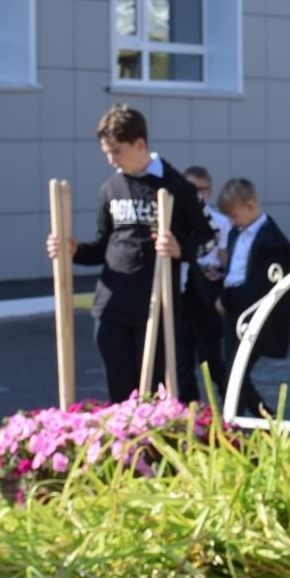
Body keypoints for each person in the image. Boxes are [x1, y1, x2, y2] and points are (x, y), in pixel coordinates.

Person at [48, 105, 214, 404]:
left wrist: (180, 249)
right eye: (106, 153)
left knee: (153, 394)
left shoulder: (177, 187)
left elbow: (207, 239)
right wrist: (72, 250)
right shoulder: (110, 188)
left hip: (156, 306)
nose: (111, 160)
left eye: (117, 151)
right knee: (119, 394)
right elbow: (102, 246)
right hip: (112, 306)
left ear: (140, 144)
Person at [214, 178, 290, 417]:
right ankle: (258, 421)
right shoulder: (236, 233)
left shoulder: (272, 241)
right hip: (233, 310)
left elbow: (261, 285)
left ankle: (238, 421)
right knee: (233, 373)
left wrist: (228, 299)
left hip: (254, 314)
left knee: (235, 372)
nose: (232, 222)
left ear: (251, 206)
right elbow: (235, 270)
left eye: (234, 215)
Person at [181, 166, 230, 398]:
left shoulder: (220, 221)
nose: (196, 194)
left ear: (209, 192)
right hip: (181, 292)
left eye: (201, 189)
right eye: (191, 189)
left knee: (211, 355)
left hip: (207, 292)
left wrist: (220, 273)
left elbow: (224, 258)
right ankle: (189, 407)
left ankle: (228, 405)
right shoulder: (176, 220)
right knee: (182, 355)